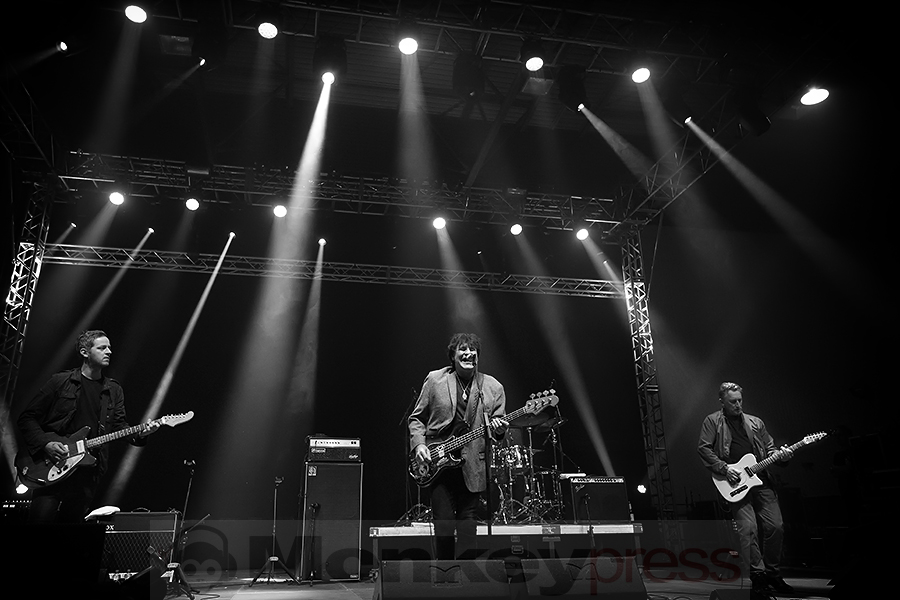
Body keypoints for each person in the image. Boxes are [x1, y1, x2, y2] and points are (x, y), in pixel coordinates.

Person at [17, 330, 158, 523]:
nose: (109, 351)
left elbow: (119, 426)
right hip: (53, 464)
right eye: (102, 348)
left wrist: (141, 434)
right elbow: (27, 418)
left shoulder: (113, 390)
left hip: (87, 473)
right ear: (85, 352)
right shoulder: (60, 381)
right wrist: (46, 444)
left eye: (109, 347)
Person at [409, 332, 508, 560]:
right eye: (462, 349)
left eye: (473, 350)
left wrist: (499, 429)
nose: (468, 353)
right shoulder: (435, 380)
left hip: (473, 465)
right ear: (453, 355)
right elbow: (416, 419)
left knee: (468, 527)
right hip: (439, 464)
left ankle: (466, 576)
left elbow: (497, 429)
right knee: (444, 526)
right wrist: (420, 445)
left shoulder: (492, 387)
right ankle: (445, 573)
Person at [697, 381, 794, 594]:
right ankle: (758, 575)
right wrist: (724, 468)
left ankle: (773, 574)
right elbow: (704, 448)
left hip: (762, 481)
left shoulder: (755, 422)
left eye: (740, 400)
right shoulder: (712, 421)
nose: (738, 405)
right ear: (722, 401)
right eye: (733, 402)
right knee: (748, 530)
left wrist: (781, 456)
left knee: (776, 527)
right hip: (735, 483)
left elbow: (770, 449)